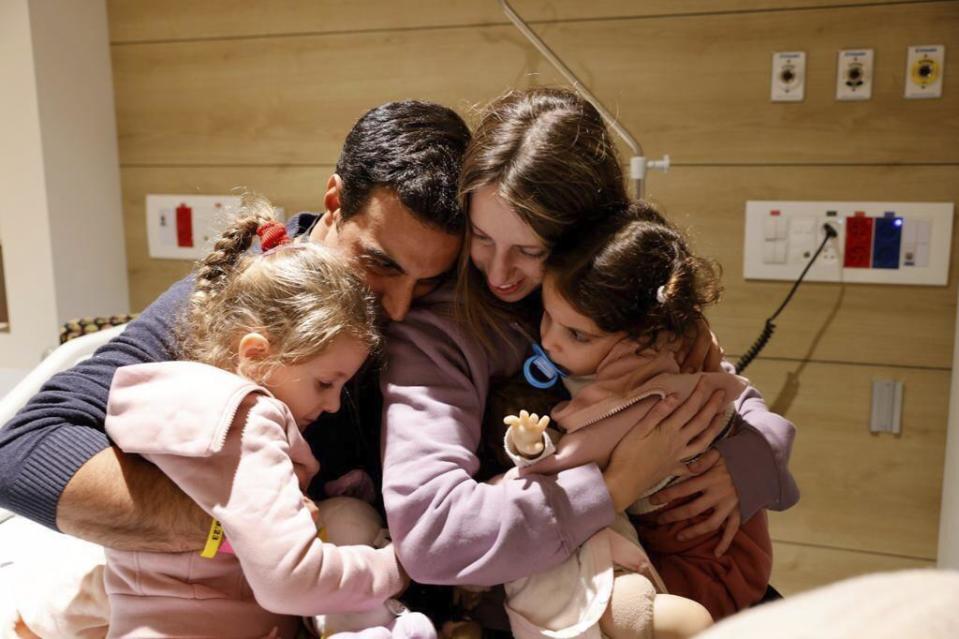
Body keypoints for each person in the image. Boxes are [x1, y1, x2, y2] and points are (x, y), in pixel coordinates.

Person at [0, 100, 470, 633]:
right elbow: (24, 451)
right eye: (380, 264)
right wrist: (238, 526)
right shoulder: (248, 301)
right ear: (335, 201)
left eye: (431, 282)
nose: (400, 309)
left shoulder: (453, 310)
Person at [380, 88, 798, 632]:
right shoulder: (438, 336)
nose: (500, 273)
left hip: (701, 570)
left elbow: (728, 394)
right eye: (481, 238)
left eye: (531, 251)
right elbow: (433, 536)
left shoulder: (623, 303)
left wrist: (745, 467)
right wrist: (618, 483)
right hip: (562, 604)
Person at [101, 196, 435, 638]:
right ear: (256, 355)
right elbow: (290, 580)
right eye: (324, 383)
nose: (334, 405)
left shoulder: (172, 405)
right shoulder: (249, 421)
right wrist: (396, 565)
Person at [499, 201, 778, 639]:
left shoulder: (649, 389)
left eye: (577, 335)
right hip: (685, 542)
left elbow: (578, 453)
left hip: (710, 559)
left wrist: (527, 460)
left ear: (644, 338)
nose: (550, 340)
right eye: (547, 315)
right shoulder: (648, 347)